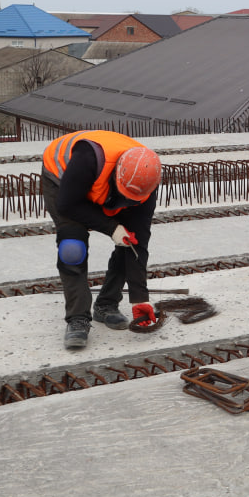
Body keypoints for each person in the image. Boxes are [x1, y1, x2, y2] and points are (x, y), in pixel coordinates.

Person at [40, 130, 162, 349]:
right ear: (117, 175)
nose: (125, 202)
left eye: (130, 199)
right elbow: (68, 205)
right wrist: (111, 227)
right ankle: (78, 318)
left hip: (105, 184)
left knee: (130, 243)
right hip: (62, 183)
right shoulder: (87, 159)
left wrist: (139, 298)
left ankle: (106, 305)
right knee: (72, 247)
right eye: (123, 195)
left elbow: (139, 244)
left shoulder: (146, 185)